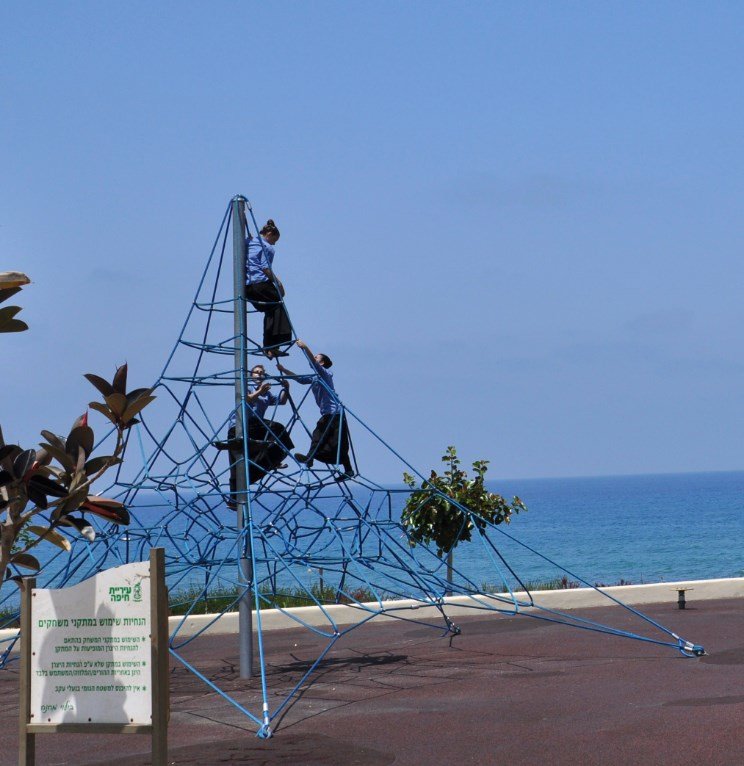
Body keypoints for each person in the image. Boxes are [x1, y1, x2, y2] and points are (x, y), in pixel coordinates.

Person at [277, 340, 354, 480]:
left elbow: (313, 362)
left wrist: (305, 347)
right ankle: (316, 460)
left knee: (329, 438)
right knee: (330, 440)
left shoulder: (326, 374)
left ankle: (311, 459)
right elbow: (299, 379)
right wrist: (284, 370)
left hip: (334, 413)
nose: (315, 359)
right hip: (328, 413)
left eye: (317, 358)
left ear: (322, 363)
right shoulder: (315, 378)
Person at [216, 364, 294, 500]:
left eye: (262, 373)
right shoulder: (246, 386)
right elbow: (245, 399)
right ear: (251, 375)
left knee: (274, 436)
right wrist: (260, 391)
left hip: (256, 426)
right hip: (240, 424)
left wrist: (286, 388)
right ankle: (233, 499)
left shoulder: (266, 393)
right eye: (256, 372)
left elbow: (281, 401)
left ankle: (273, 459)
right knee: (236, 461)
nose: (259, 375)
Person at [244, 219, 292, 357]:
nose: (275, 243)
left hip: (247, 287)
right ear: (270, 234)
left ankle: (270, 346)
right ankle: (273, 345)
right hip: (260, 285)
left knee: (271, 310)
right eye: (275, 239)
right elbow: (265, 268)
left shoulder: (249, 241)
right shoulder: (268, 247)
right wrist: (279, 284)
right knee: (278, 304)